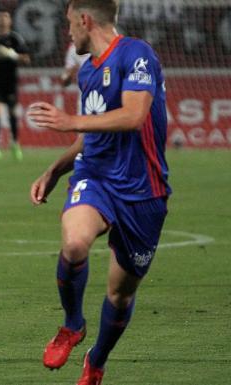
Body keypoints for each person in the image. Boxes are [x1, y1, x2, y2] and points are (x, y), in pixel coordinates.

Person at [27, 1, 171, 384]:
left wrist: (69, 121)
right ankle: (72, 325)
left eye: (69, 24)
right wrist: (55, 169)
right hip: (97, 178)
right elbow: (92, 133)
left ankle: (97, 360)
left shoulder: (136, 54)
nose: (67, 32)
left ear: (85, 20)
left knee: (120, 295)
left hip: (144, 191)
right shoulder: (88, 71)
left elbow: (134, 114)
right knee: (75, 244)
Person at [0, 10, 31, 162]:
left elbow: (27, 60)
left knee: (12, 114)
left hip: (11, 82)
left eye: (5, 16)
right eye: (0, 17)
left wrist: (12, 55)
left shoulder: (15, 39)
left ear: (10, 20)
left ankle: (15, 144)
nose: (2, 19)